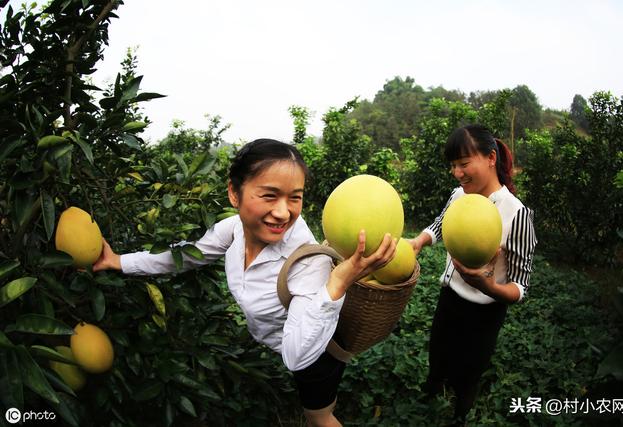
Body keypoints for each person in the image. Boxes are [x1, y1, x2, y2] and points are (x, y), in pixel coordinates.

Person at [93, 138, 397, 427]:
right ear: (234, 193)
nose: (282, 212)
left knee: (319, 417)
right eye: (269, 195)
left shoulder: (307, 262)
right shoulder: (235, 228)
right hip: (283, 341)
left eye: (295, 198)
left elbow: (296, 356)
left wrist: (337, 283)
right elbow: (188, 255)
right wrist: (119, 261)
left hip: (318, 352)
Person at [409, 125, 537, 425]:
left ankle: (461, 411)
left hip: (485, 311)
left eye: (464, 164)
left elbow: (521, 285)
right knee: (438, 350)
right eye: (453, 165)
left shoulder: (516, 214)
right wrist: (419, 241)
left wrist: (487, 285)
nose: (457, 173)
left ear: (491, 158)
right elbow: (442, 224)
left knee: (470, 368)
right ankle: (433, 386)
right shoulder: (459, 196)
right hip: (450, 294)